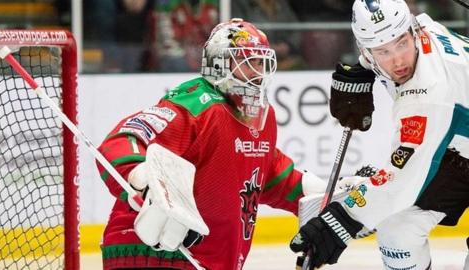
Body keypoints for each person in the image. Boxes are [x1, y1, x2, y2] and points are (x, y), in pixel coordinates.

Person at [96, 18, 333, 270]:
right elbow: (123, 141)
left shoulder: (261, 118)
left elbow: (269, 176)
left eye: (261, 62)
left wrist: (328, 195)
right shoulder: (197, 104)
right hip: (155, 250)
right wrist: (147, 186)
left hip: (208, 260)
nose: (257, 72)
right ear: (218, 64)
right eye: (247, 61)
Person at [289, 0, 469, 269]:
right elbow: (390, 36)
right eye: (382, 52)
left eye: (401, 44)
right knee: (397, 231)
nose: (397, 60)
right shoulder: (419, 27)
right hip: (460, 155)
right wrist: (363, 69)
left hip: (452, 143)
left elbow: (400, 184)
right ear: (366, 50)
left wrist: (341, 219)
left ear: (412, 33)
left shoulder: (427, 95)